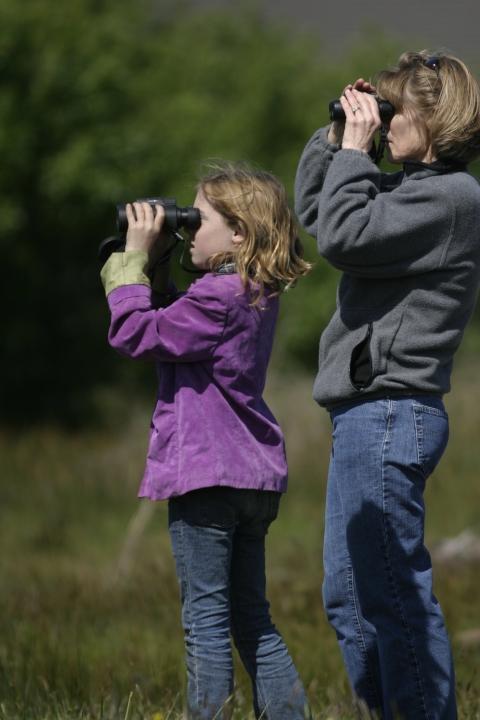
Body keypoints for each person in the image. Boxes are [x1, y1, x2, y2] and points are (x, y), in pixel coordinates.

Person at [294, 51, 480, 719]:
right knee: (349, 596)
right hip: (365, 417)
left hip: (391, 414)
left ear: (433, 120)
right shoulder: (406, 190)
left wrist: (354, 152)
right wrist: (336, 138)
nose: (386, 121)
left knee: (392, 591)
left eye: (396, 111)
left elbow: (344, 235)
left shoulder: (451, 198)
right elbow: (320, 213)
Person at [100, 162, 312, 720]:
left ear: (239, 232)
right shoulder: (251, 293)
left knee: (206, 621)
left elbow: (137, 332)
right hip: (251, 477)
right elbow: (175, 329)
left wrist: (130, 263)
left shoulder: (216, 297)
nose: (189, 228)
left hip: (209, 478)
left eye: (200, 219)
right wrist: (160, 259)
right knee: (251, 618)